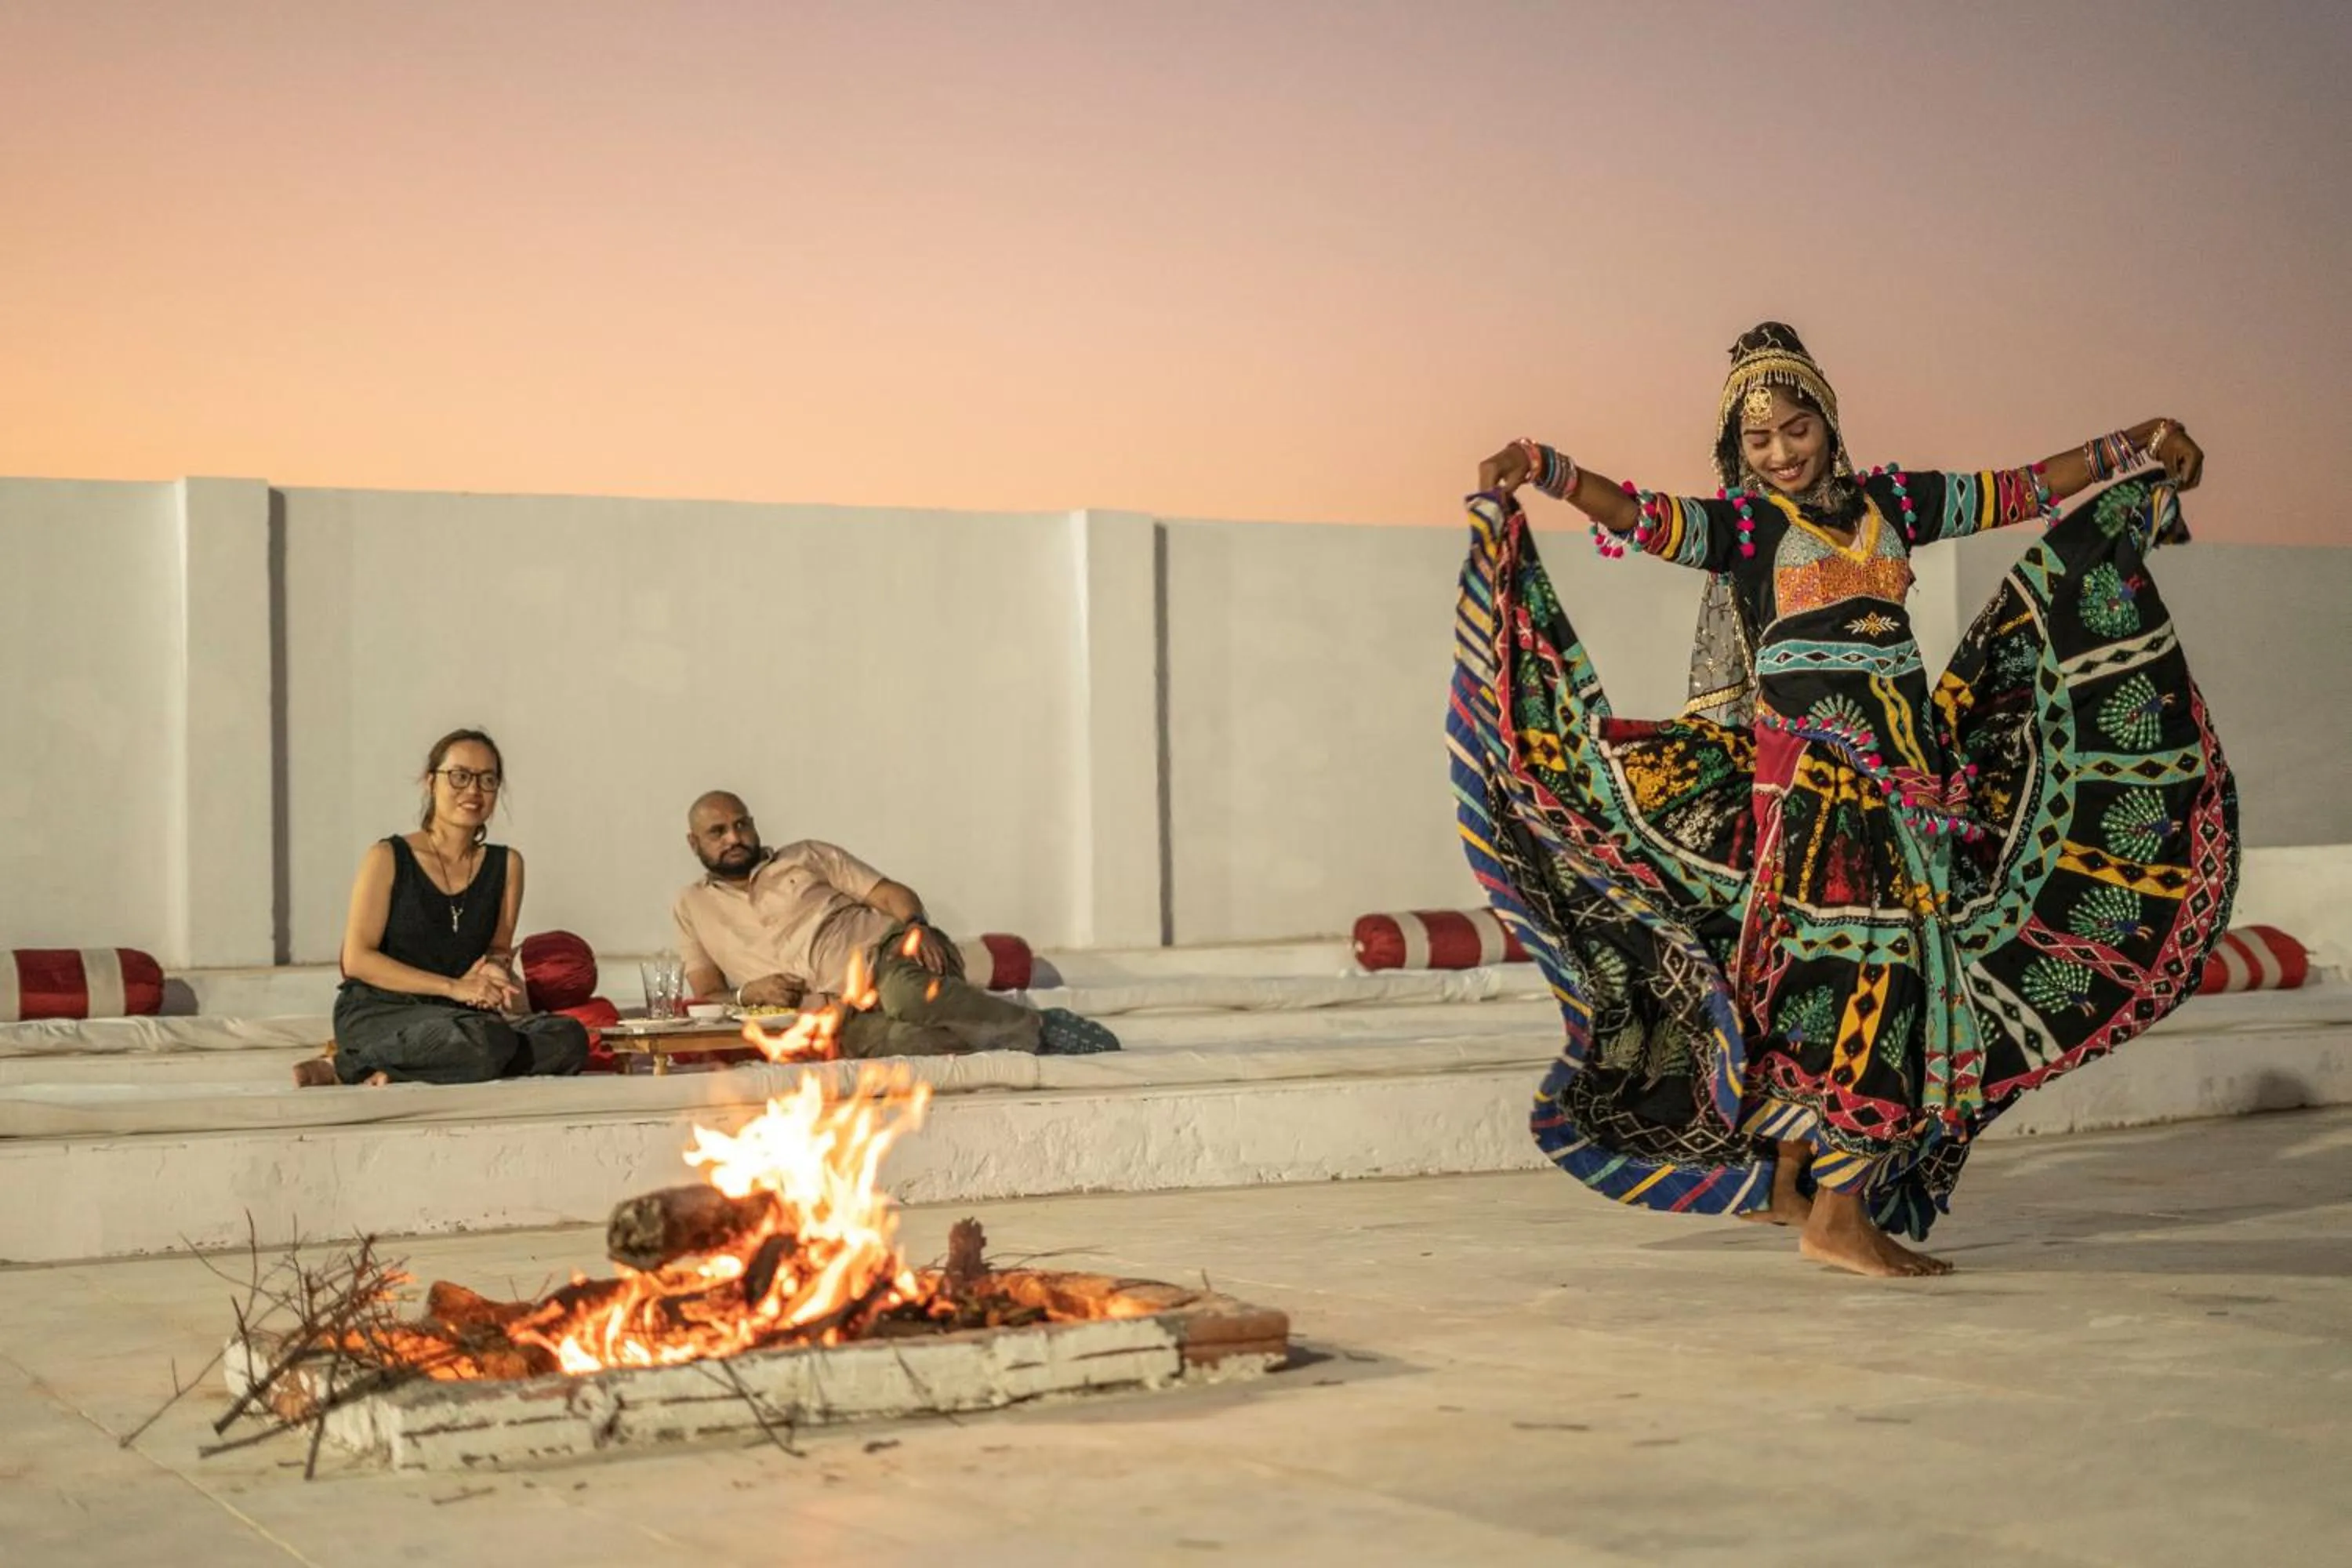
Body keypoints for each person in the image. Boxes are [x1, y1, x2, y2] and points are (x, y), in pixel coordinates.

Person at [1454, 322, 2234, 1276]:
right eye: (1758, 442)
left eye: (1796, 429)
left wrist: (2141, 440)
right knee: (1877, 981)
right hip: (1819, 791)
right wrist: (1541, 465)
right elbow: (1642, 515)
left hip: (1913, 783)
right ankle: (1840, 1213)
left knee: (1810, 985)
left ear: (1828, 421)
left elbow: (2026, 486)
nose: (1780, 453)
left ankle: (1788, 1186)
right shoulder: (1743, 529)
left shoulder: (1894, 504)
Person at [672, 791, 1118, 1058]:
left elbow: (890, 894)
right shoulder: (691, 907)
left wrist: (916, 925)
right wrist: (750, 993)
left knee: (907, 995)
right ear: (694, 843)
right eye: (718, 832)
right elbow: (707, 994)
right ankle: (1011, 1036)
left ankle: (1043, 1028)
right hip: (826, 1011)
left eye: (741, 824)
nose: (734, 838)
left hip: (885, 955)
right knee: (911, 1042)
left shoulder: (806, 856)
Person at [295, 729, 590, 1087]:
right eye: (460, 776)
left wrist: (494, 971)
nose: (473, 791)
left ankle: (410, 1065)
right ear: (430, 782)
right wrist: (453, 987)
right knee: (484, 1040)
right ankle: (346, 1066)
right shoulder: (387, 858)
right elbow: (358, 960)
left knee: (569, 1037)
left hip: (457, 1019)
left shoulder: (507, 864)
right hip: (383, 1010)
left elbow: (497, 951)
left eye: (487, 780)